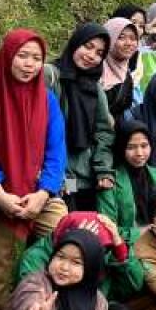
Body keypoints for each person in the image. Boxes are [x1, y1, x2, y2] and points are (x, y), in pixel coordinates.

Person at [0, 29, 68, 310]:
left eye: (37, 58)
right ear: (7, 57)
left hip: (37, 193)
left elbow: (56, 153)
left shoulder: (47, 100)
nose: (29, 64)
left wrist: (44, 192)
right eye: (22, 56)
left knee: (70, 241)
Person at [46, 22, 115, 213]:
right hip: (57, 175)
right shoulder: (51, 76)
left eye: (99, 53)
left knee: (86, 233)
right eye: (88, 46)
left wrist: (103, 169)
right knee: (63, 230)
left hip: (86, 179)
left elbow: (103, 132)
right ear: (76, 43)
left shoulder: (95, 89)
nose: (92, 56)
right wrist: (53, 176)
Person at [17, 211, 145, 304]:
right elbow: (35, 303)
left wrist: (121, 252)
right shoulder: (35, 258)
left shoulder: (100, 255)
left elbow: (130, 287)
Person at [103, 120, 156, 231]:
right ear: (121, 148)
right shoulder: (109, 181)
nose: (139, 153)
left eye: (144, 146)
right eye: (131, 147)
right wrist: (141, 233)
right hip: (128, 245)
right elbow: (107, 228)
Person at [101, 16, 140, 122]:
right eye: (121, 37)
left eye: (133, 38)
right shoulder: (94, 70)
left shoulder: (126, 75)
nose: (128, 43)